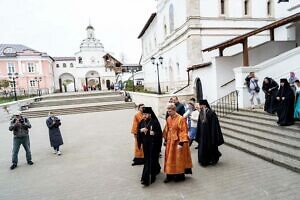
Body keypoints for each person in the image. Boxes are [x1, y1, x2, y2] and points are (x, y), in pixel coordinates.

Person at [163, 103, 192, 183]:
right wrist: (165, 140)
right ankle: (169, 175)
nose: (168, 113)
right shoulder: (168, 118)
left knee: (178, 159)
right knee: (169, 159)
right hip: (170, 142)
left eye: (170, 111)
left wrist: (181, 143)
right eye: (168, 111)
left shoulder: (181, 119)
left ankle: (179, 175)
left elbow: (184, 131)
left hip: (178, 142)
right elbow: (167, 129)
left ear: (174, 110)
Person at [137, 107, 162, 186]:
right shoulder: (141, 122)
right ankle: (157, 169)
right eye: (143, 114)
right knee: (149, 160)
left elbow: (160, 134)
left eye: (146, 114)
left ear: (150, 114)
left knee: (150, 160)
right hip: (145, 144)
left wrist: (154, 133)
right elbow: (138, 131)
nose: (144, 116)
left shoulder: (154, 122)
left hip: (153, 145)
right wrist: (141, 130)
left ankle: (147, 178)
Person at [196, 100, 224, 167]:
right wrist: (198, 133)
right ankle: (203, 161)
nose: (199, 106)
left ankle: (212, 159)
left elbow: (214, 126)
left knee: (211, 147)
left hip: (209, 135)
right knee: (202, 148)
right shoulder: (201, 112)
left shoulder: (211, 113)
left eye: (200, 105)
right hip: (202, 135)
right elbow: (199, 123)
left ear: (204, 105)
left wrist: (213, 135)